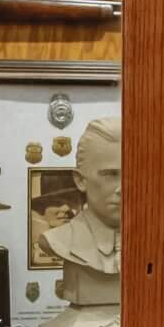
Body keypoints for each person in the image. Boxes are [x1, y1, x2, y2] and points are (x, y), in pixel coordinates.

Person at [42, 116, 122, 304]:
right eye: (110, 175)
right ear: (80, 180)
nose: (123, 187)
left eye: (135, 173)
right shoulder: (60, 240)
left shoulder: (161, 243)